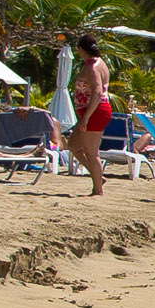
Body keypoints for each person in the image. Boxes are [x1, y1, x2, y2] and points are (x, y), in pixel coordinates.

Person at [69, 37, 113, 196]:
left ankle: (97, 189)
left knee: (91, 152)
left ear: (81, 49)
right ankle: (98, 177)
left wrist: (86, 117)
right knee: (73, 145)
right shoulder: (99, 63)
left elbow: (97, 91)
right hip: (92, 111)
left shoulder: (92, 67)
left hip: (95, 111)